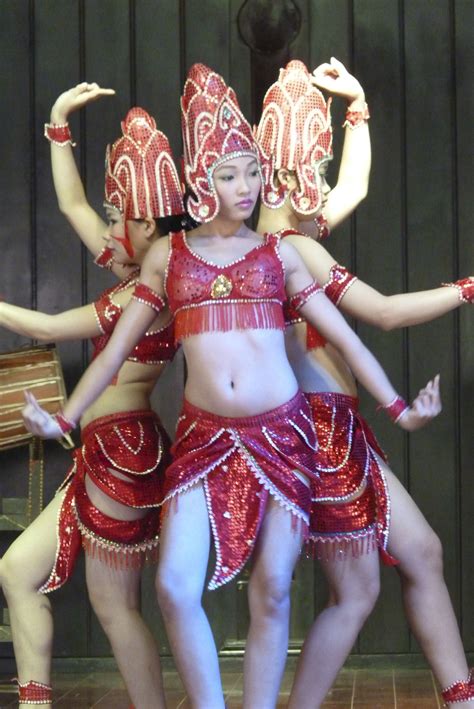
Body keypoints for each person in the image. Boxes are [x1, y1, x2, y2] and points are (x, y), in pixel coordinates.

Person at [22, 64, 440, 709]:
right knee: (173, 586)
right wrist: (66, 417)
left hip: (286, 434)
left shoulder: (284, 253)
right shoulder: (168, 258)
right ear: (198, 184)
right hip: (202, 440)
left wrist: (399, 408)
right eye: (227, 174)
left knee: (273, 585)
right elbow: (110, 354)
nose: (244, 186)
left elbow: (354, 335)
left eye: (251, 170)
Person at [255, 58, 474, 708]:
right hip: (317, 436)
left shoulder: (288, 238)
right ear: (294, 171)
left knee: (422, 552)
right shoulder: (295, 250)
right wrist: (465, 289)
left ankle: (461, 698)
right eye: (315, 169)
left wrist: (358, 110)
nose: (325, 183)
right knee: (357, 591)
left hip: (336, 430)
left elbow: (352, 186)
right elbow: (382, 311)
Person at [0, 84, 185, 708]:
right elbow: (74, 203)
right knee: (18, 570)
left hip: (124, 451)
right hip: (106, 449)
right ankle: (34, 703)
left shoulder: (149, 292)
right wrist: (57, 124)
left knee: (114, 607)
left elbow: (48, 328)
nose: (106, 227)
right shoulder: (138, 271)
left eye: (118, 216)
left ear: (145, 220)